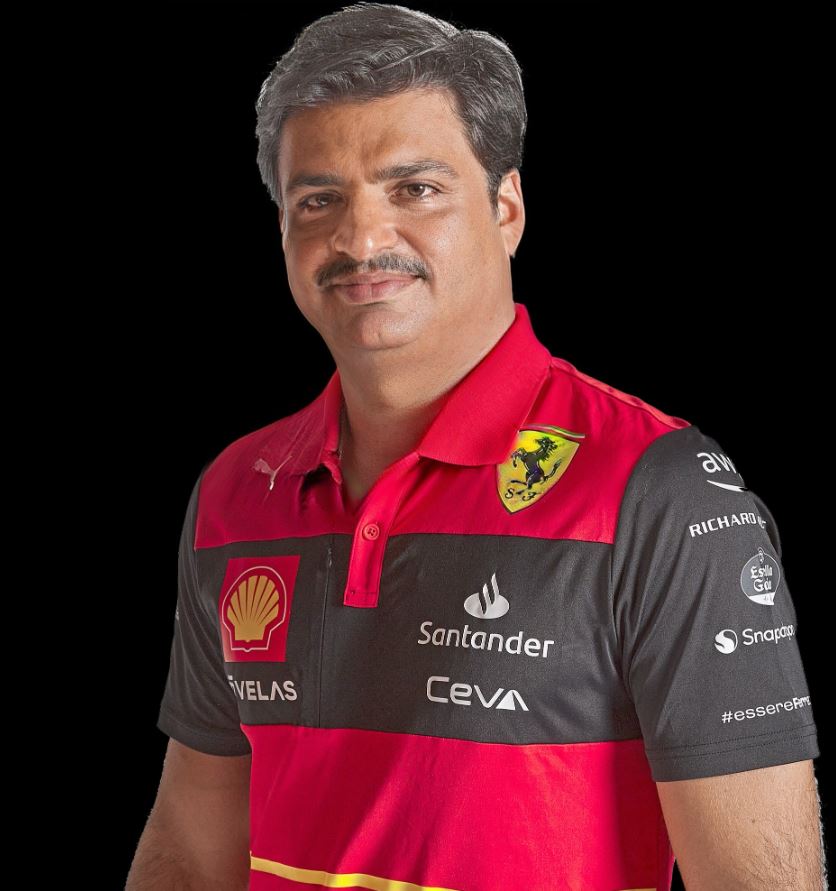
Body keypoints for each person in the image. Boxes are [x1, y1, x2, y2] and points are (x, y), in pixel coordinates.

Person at [127, 4, 825, 890]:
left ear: (506, 209)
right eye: (319, 200)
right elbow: (192, 849)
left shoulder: (660, 492)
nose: (360, 239)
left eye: (414, 189)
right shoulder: (237, 491)